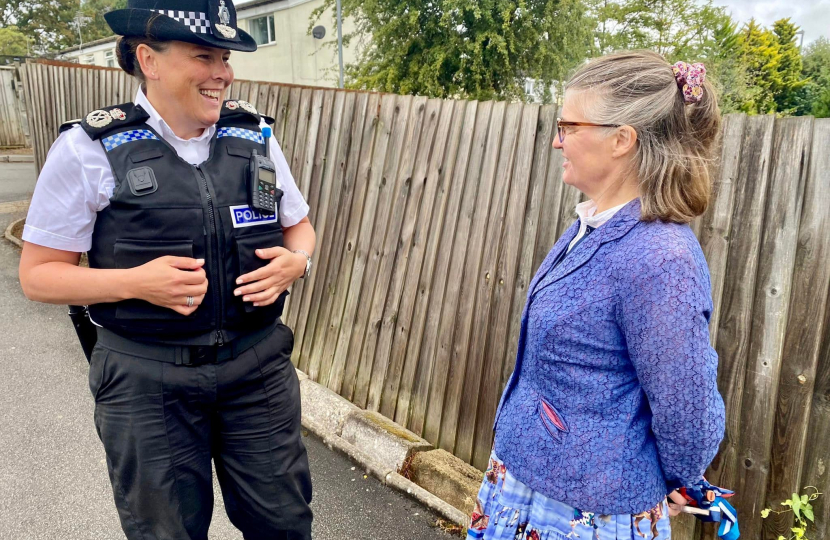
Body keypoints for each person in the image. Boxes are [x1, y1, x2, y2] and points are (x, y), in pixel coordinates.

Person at [18, 1, 316, 538]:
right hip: (145, 381)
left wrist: (297, 262)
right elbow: (38, 275)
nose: (223, 73)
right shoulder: (89, 150)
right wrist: (135, 283)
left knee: (286, 524)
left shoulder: (255, 139)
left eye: (225, 58)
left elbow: (297, 226)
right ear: (148, 60)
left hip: (258, 370)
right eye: (205, 56)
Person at [467, 51, 726, 540]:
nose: (556, 140)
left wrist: (682, 481)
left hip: (586, 512)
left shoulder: (660, 257)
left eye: (568, 125)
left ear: (621, 140)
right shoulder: (593, 224)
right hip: (532, 485)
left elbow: (688, 412)